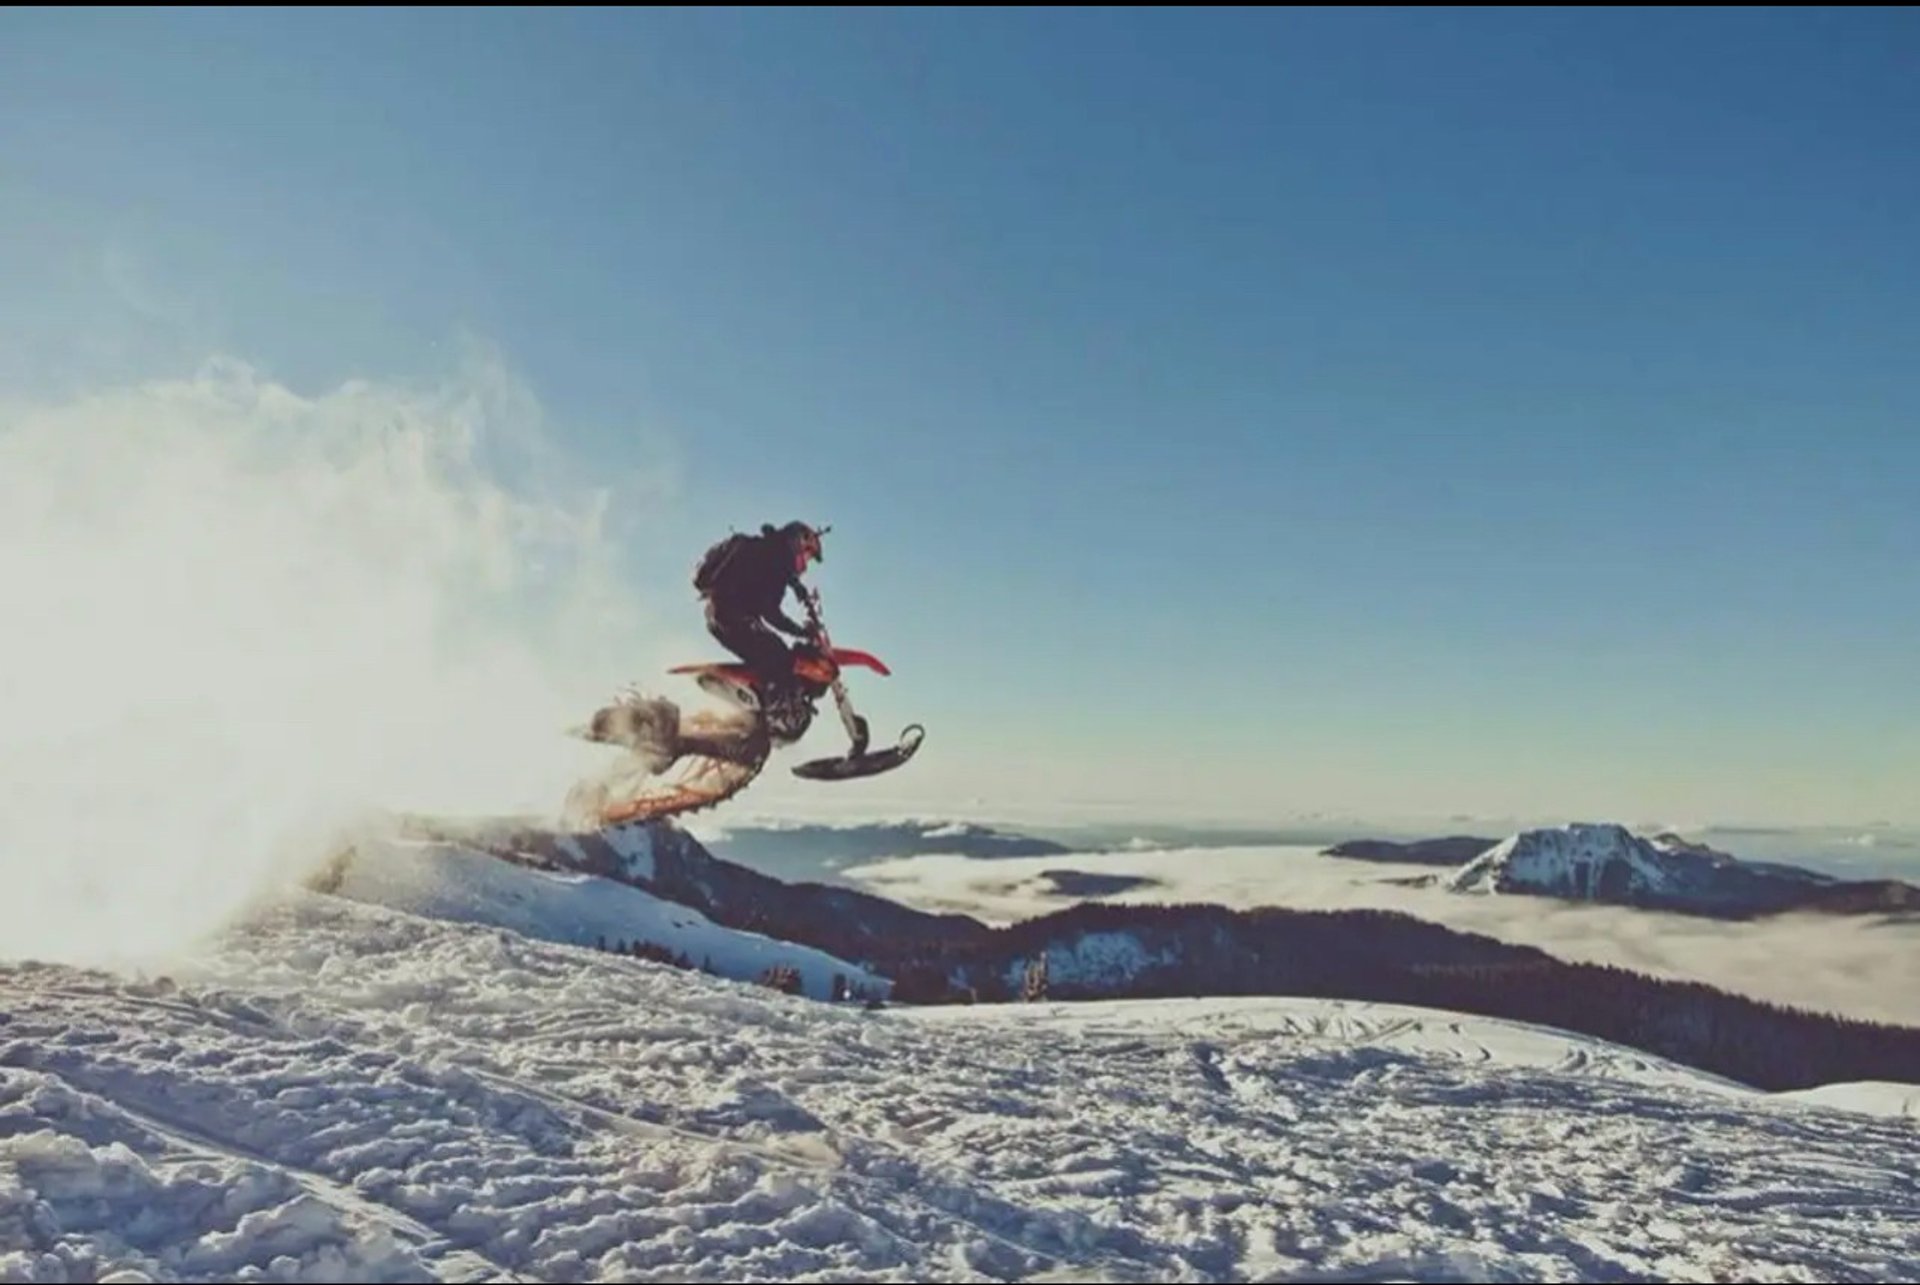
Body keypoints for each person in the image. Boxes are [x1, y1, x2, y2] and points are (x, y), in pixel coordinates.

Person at [692, 521, 827, 711]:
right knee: (781, 657)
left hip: (721, 614)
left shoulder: (769, 551)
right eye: (808, 555)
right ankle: (772, 711)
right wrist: (800, 632)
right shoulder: (774, 560)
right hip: (733, 616)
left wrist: (796, 586)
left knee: (768, 657)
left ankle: (758, 707)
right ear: (798, 543)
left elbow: (767, 588)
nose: (806, 563)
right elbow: (771, 614)